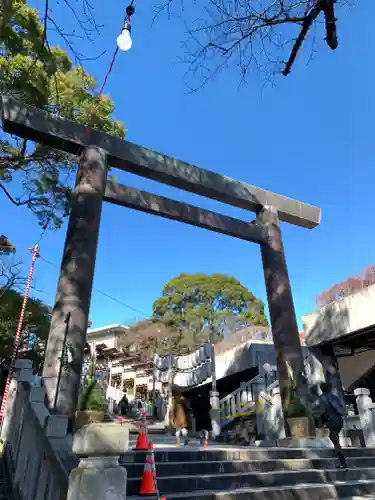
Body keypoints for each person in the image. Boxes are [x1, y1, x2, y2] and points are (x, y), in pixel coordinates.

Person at [317, 382, 348, 468]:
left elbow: (322, 411)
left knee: (335, 439)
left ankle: (343, 462)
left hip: (332, 420)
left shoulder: (322, 398)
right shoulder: (334, 397)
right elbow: (340, 409)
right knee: (334, 437)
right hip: (339, 420)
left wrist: (323, 423)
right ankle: (341, 460)